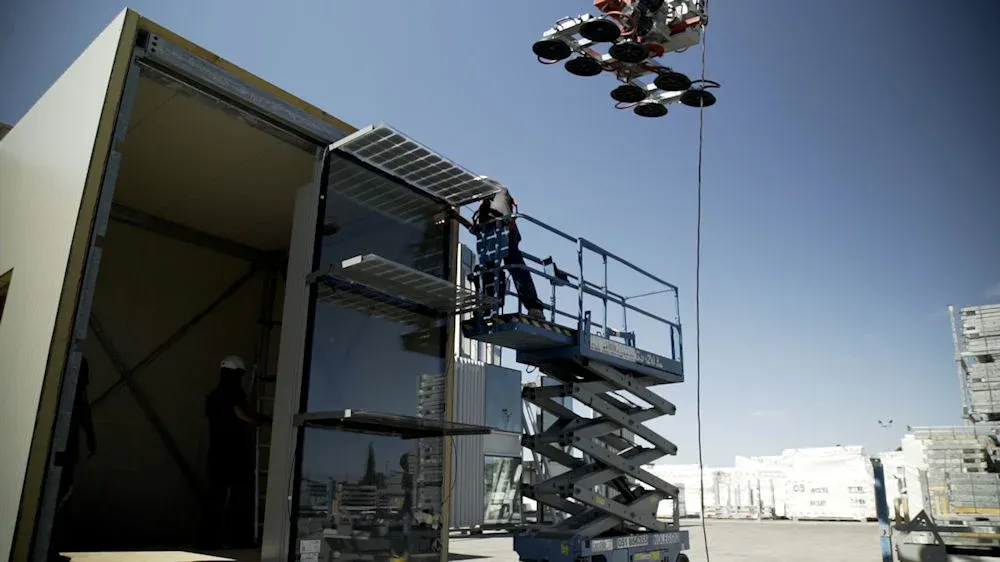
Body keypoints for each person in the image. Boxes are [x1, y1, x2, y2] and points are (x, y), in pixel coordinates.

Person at [442, 185, 545, 319]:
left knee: (514, 265)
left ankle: (533, 307)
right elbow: (475, 229)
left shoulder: (499, 193)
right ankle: (488, 304)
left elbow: (501, 217)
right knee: (484, 270)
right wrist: (456, 217)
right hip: (492, 237)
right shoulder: (484, 213)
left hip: (506, 233)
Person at [203, 355, 269, 549]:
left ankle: (208, 541)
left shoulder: (213, 395)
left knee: (214, 498)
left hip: (216, 453)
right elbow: (240, 413)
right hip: (234, 453)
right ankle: (239, 540)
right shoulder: (234, 391)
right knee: (240, 498)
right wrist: (261, 419)